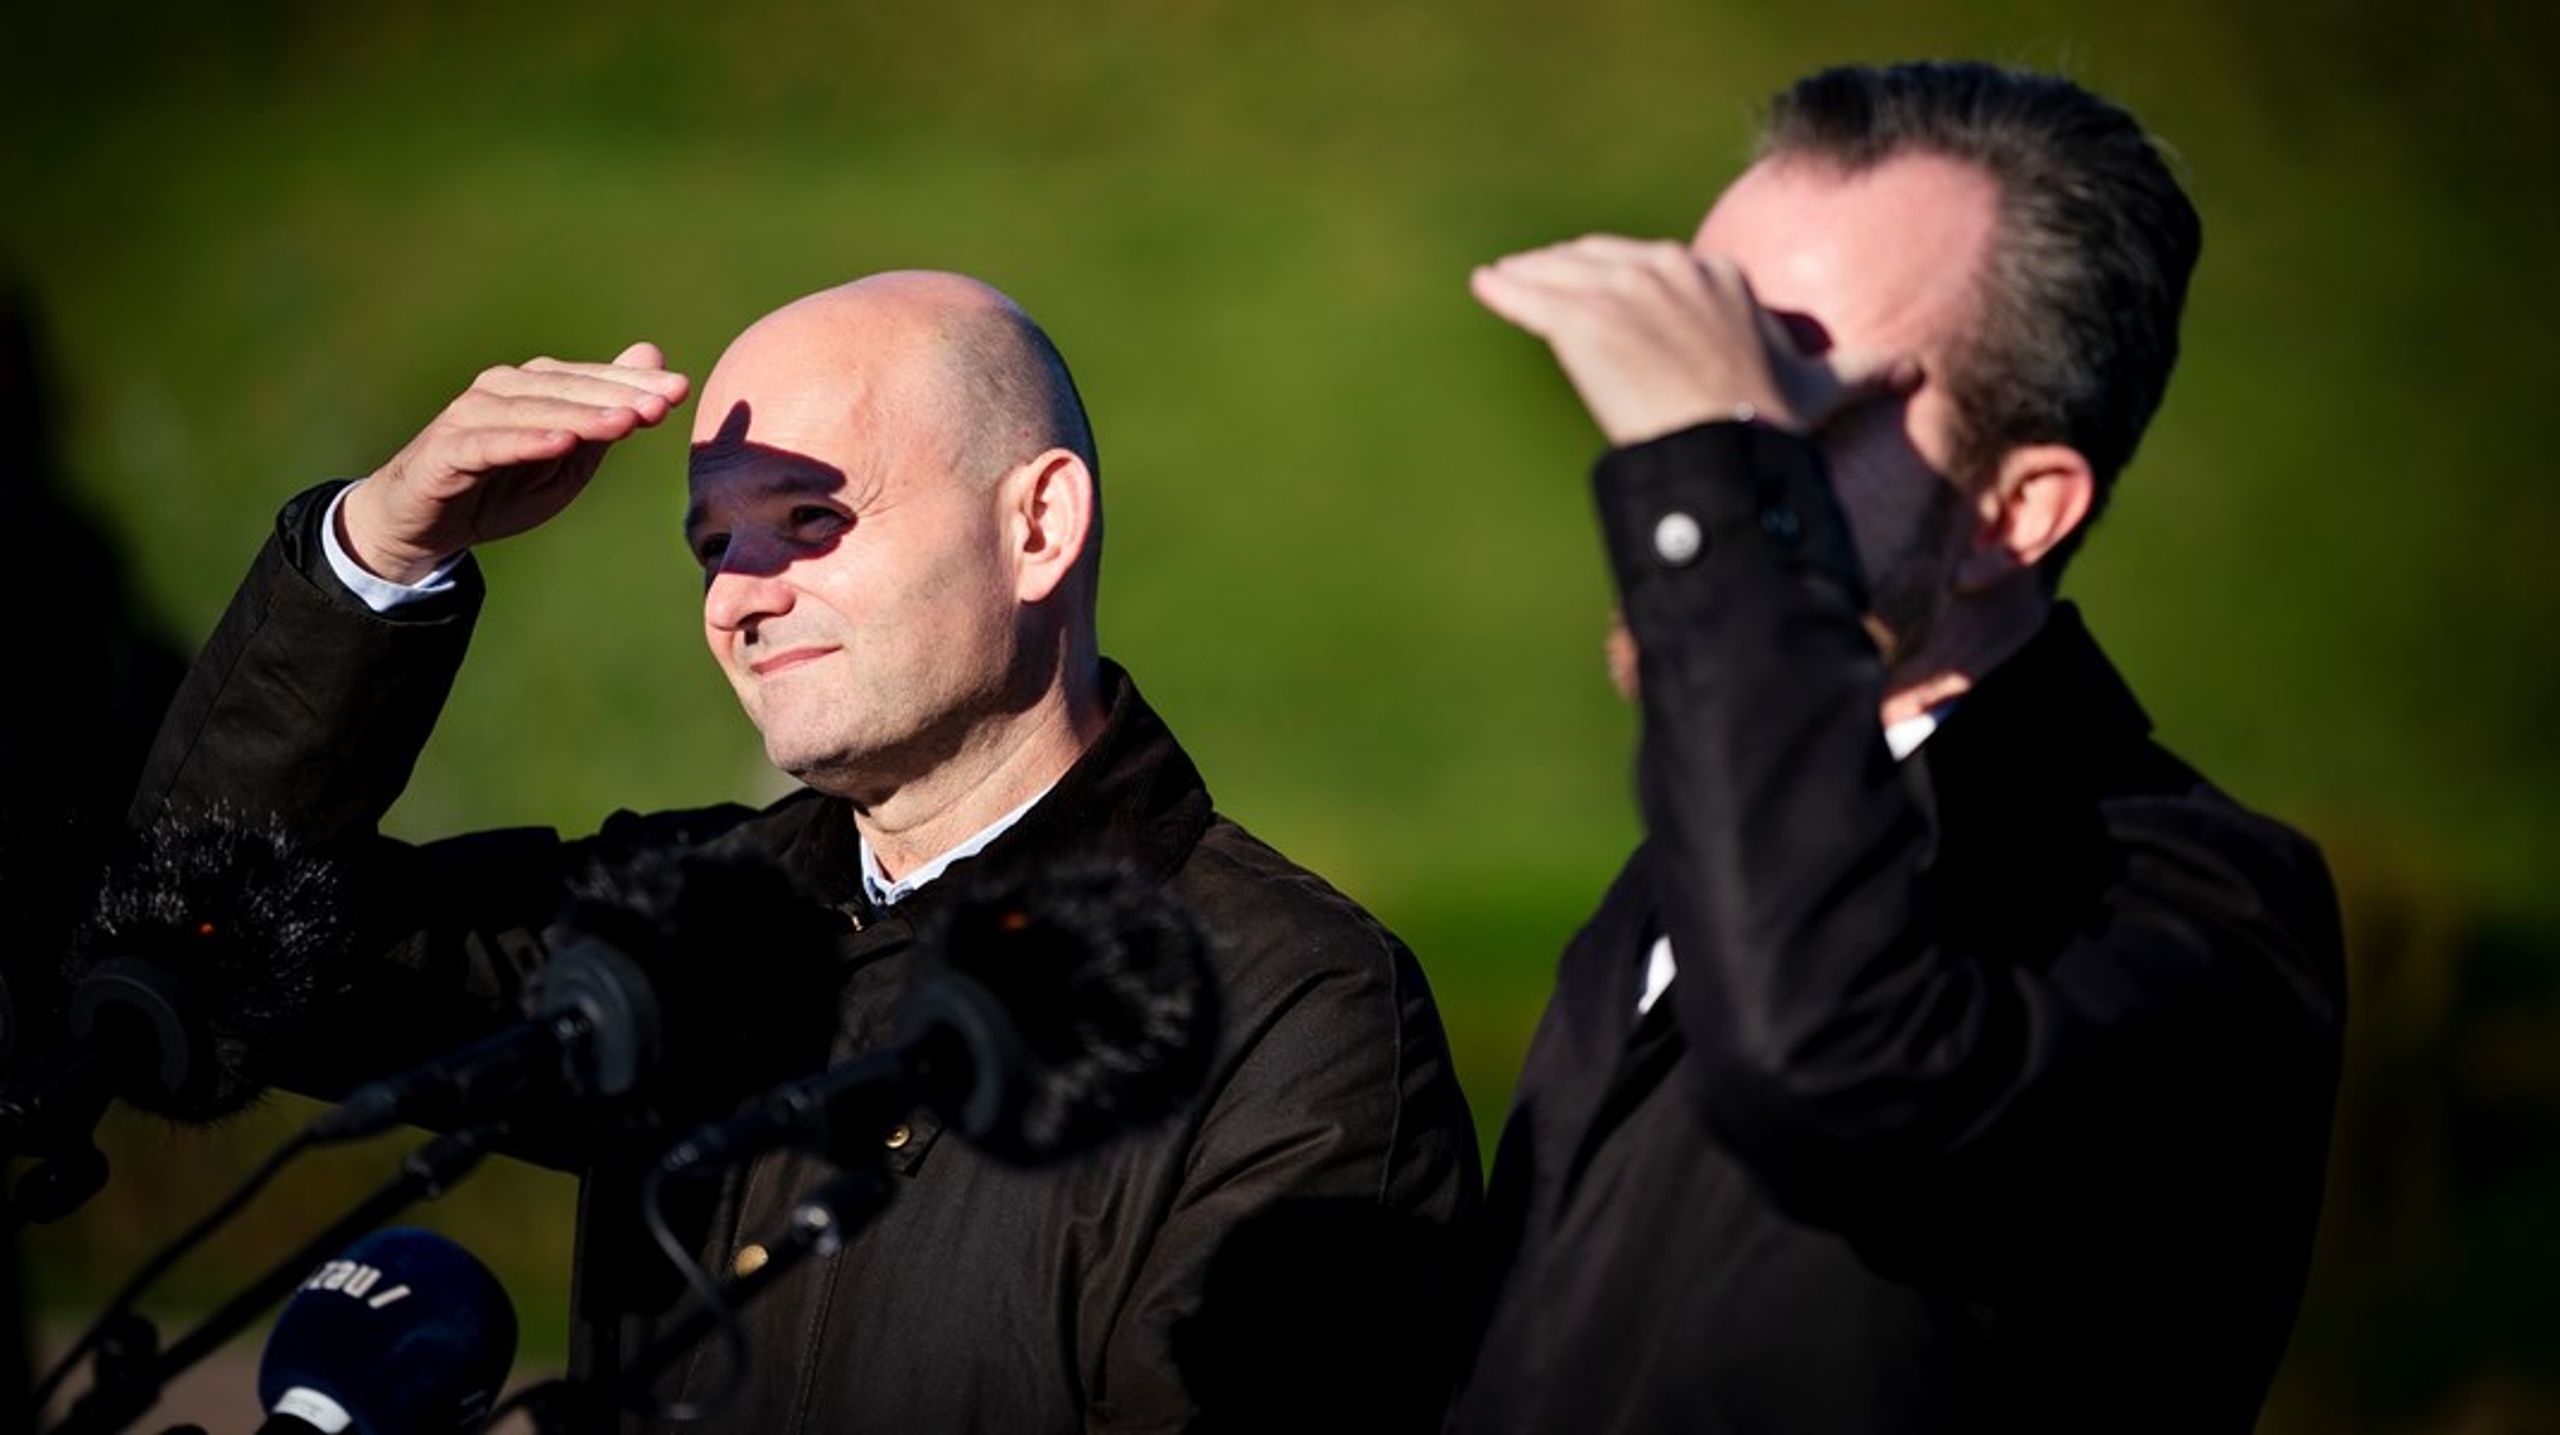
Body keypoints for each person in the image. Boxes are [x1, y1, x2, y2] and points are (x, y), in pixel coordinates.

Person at [131, 271, 1479, 1432]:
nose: (738, 595)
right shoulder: (680, 930)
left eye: (809, 522)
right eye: (712, 544)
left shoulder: (1301, 1013)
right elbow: (206, 951)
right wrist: (378, 555)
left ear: (1038, 527)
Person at [1449, 62, 2345, 1433]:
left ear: (2010, 514)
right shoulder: (1680, 876)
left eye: (1778, 401)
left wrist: (1716, 492)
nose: (1662, 458)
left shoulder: (2195, 908)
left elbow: (1831, 1066)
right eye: (1678, 367)